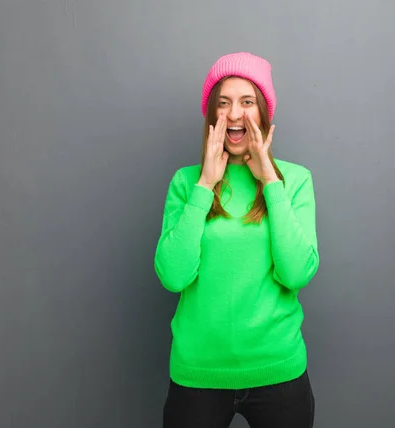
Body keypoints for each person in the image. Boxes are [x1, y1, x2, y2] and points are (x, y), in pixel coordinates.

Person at [154, 52, 320, 428]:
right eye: (224, 103)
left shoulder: (295, 181)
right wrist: (205, 186)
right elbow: (173, 276)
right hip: (198, 374)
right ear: (212, 115)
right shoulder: (186, 183)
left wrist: (271, 184)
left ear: (264, 112)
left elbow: (296, 273)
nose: (234, 114)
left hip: (278, 370)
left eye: (247, 102)